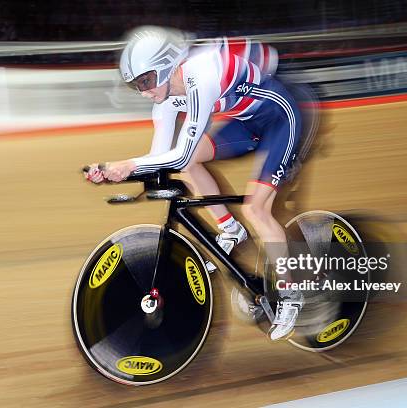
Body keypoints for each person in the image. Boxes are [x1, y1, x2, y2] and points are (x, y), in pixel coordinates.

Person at [85, 26, 304, 340]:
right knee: (189, 163)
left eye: (145, 81)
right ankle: (231, 229)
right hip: (248, 123)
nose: (143, 91)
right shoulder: (164, 99)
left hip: (282, 118)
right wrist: (111, 171)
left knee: (258, 210)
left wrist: (128, 165)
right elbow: (161, 156)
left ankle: (291, 295)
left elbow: (179, 151)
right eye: (135, 85)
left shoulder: (200, 76)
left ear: (163, 66)